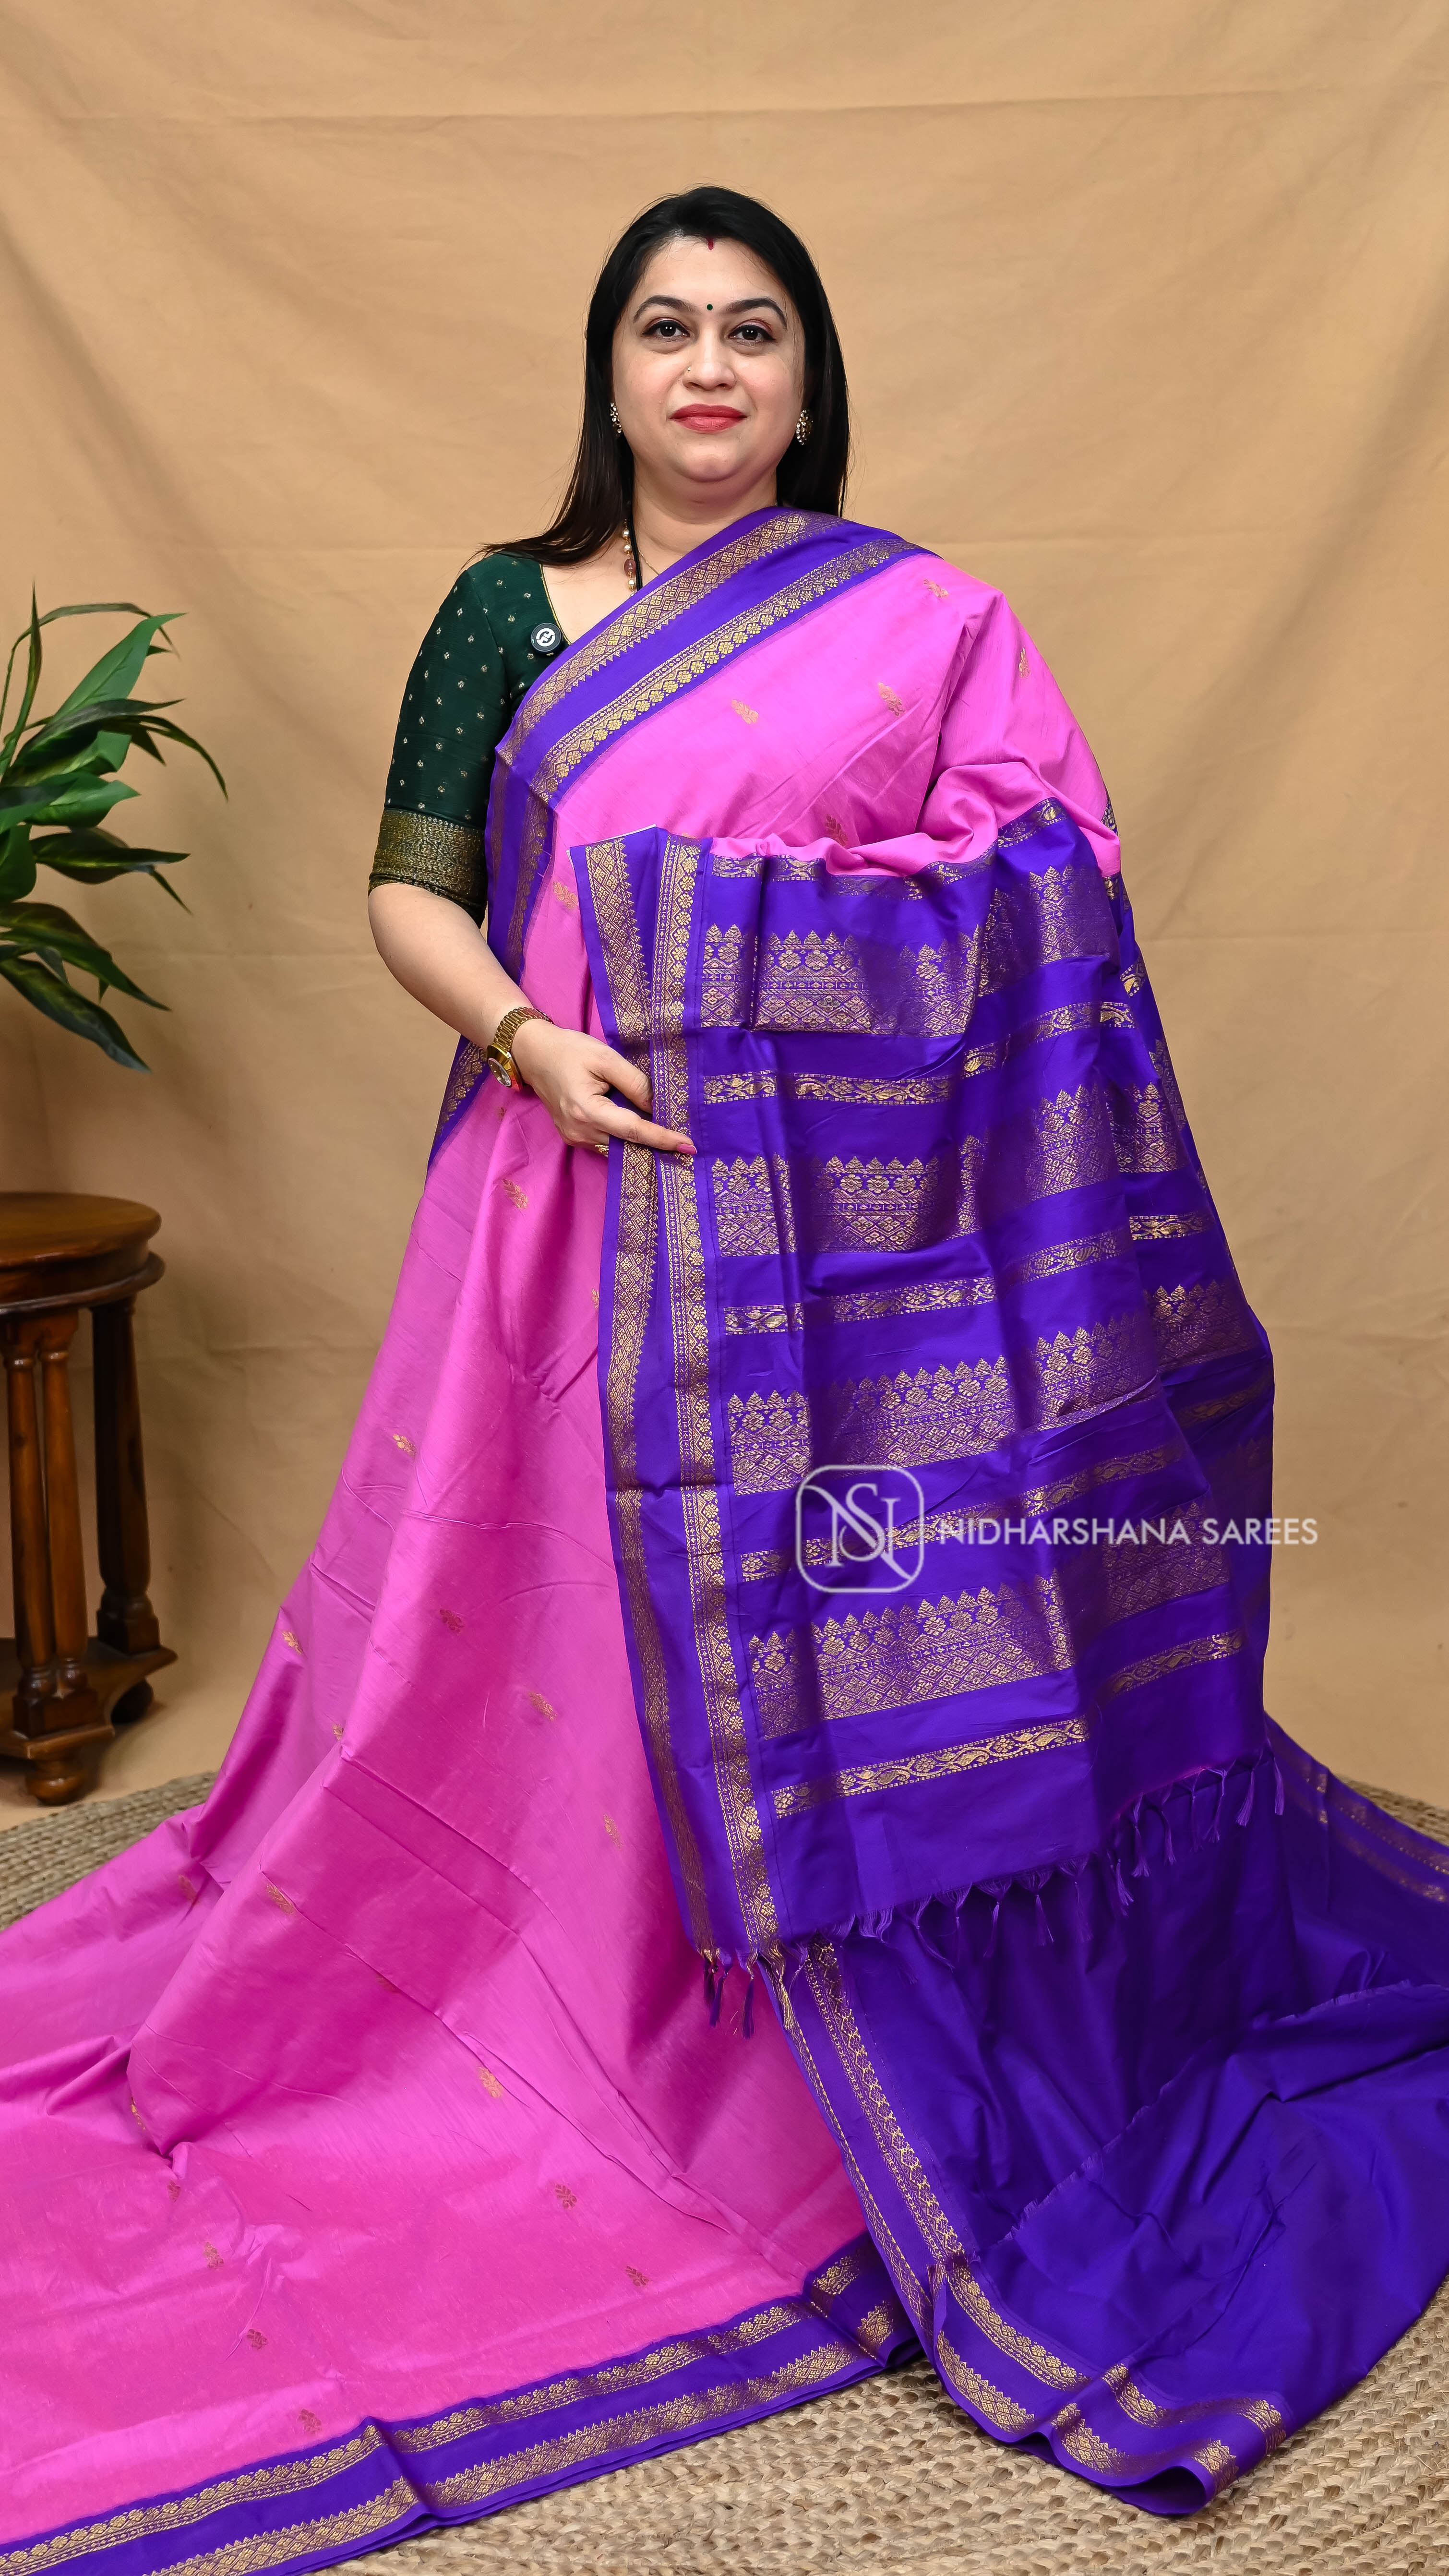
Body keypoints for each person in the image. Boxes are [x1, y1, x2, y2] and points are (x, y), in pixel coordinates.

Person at [2, 187, 1447, 2568]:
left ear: (803, 374)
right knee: (536, 1649)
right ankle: (547, 1993)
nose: (704, 368)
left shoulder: (921, 623)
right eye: (663, 328)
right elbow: (409, 887)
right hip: (562, 1198)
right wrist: (532, 1036)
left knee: (814, 1620)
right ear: (606, 368)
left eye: (749, 330)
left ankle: (806, 2031)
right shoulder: (510, 608)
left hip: (848, 1261)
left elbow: (1049, 881)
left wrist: (739, 951)